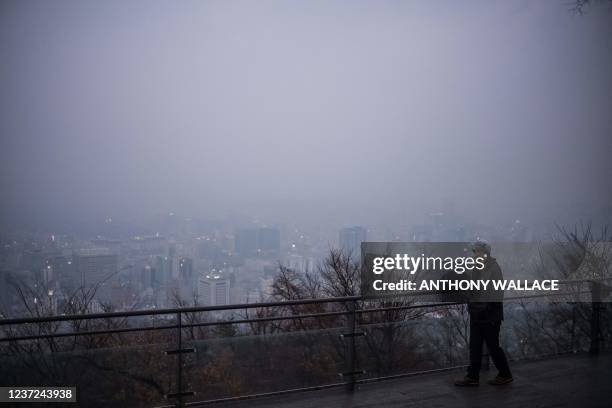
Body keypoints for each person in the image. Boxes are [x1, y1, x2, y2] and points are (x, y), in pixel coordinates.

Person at [454, 240, 513, 386]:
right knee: (475, 346)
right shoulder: (476, 269)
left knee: (493, 347)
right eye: (475, 252)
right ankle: (473, 377)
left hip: (489, 315)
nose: (476, 254)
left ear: (486, 253)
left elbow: (497, 292)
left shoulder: (494, 268)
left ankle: (505, 374)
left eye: (479, 251)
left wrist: (483, 307)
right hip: (478, 314)